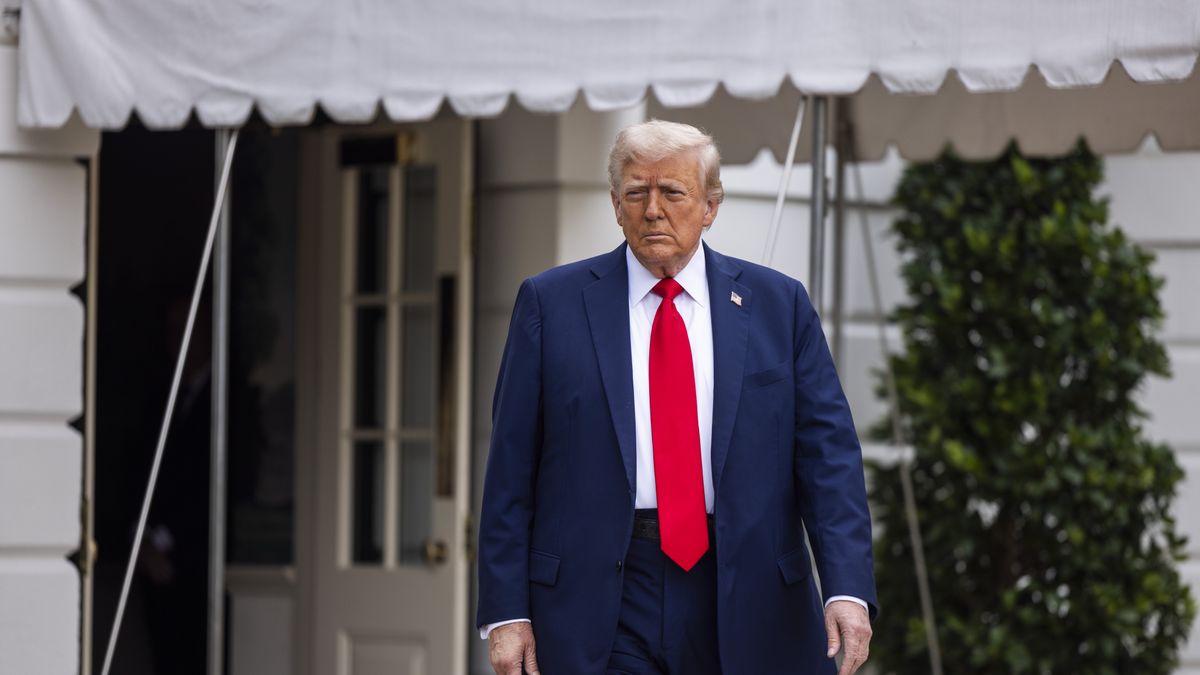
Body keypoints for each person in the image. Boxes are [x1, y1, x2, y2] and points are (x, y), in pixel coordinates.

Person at [477, 120, 876, 675]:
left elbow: (828, 460)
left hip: (746, 586)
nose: (653, 210)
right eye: (637, 192)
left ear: (710, 206)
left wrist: (848, 589)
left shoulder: (778, 307)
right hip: (601, 595)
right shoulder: (550, 304)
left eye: (673, 193)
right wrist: (505, 613)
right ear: (616, 205)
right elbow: (509, 473)